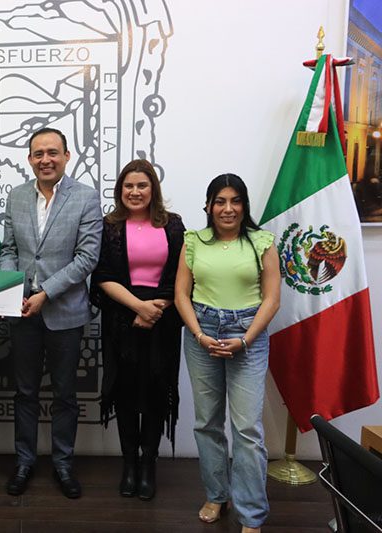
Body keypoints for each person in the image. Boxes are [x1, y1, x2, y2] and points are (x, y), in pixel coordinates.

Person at [0, 127, 102, 499]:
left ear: (66, 156)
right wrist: (13, 290)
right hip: (23, 312)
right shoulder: (16, 196)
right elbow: (9, 250)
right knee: (25, 392)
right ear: (29, 159)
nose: (46, 159)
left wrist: (46, 293)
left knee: (65, 394)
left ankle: (63, 464)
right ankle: (24, 462)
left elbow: (87, 257)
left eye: (53, 152)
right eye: (38, 153)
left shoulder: (86, 197)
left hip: (65, 313)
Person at [174, 174, 280, 533]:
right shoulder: (194, 241)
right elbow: (181, 295)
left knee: (247, 428)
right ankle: (217, 495)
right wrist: (199, 335)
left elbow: (272, 299)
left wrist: (246, 340)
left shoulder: (262, 242)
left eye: (235, 201)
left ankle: (251, 512)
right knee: (207, 422)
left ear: (244, 206)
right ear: (208, 206)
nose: (228, 208)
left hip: (248, 335)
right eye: (220, 201)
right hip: (202, 333)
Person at [90, 159, 185, 501]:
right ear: (119, 191)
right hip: (122, 320)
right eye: (128, 186)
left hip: (163, 319)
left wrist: (155, 308)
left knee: (157, 392)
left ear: (153, 189)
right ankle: (129, 464)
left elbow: (182, 274)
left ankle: (149, 464)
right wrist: (138, 307)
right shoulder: (109, 226)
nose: (134, 192)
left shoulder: (173, 224)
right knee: (125, 393)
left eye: (142, 185)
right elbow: (102, 276)